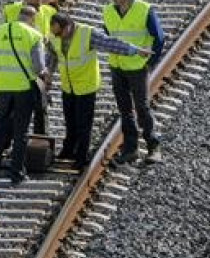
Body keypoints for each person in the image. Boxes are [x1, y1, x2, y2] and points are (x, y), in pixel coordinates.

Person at [43, 12, 151, 171]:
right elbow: (53, 54)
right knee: (70, 122)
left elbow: (110, 44)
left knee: (83, 125)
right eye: (55, 33)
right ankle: (68, 151)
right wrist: (49, 73)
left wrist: (135, 50)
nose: (57, 36)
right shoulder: (55, 36)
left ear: (68, 26)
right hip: (68, 87)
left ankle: (81, 158)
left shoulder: (87, 34)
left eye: (60, 33)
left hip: (86, 87)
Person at [102, 0, 165, 164]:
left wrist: (150, 62)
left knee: (142, 107)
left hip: (137, 67)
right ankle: (130, 149)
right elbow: (108, 36)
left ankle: (153, 146)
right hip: (117, 66)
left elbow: (159, 38)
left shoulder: (144, 9)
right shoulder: (108, 12)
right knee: (124, 110)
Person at [0, 6, 49, 185]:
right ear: (32, 18)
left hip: (2, 85)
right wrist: (45, 74)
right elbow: (38, 67)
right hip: (23, 87)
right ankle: (16, 172)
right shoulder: (33, 35)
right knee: (20, 131)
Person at [3, 0, 56, 134]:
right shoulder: (12, 11)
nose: (37, 8)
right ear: (25, 0)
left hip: (38, 68)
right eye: (33, 4)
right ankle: (9, 141)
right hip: (18, 69)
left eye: (39, 4)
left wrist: (49, 70)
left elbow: (52, 45)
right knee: (14, 109)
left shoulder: (48, 12)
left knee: (41, 106)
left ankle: (40, 139)